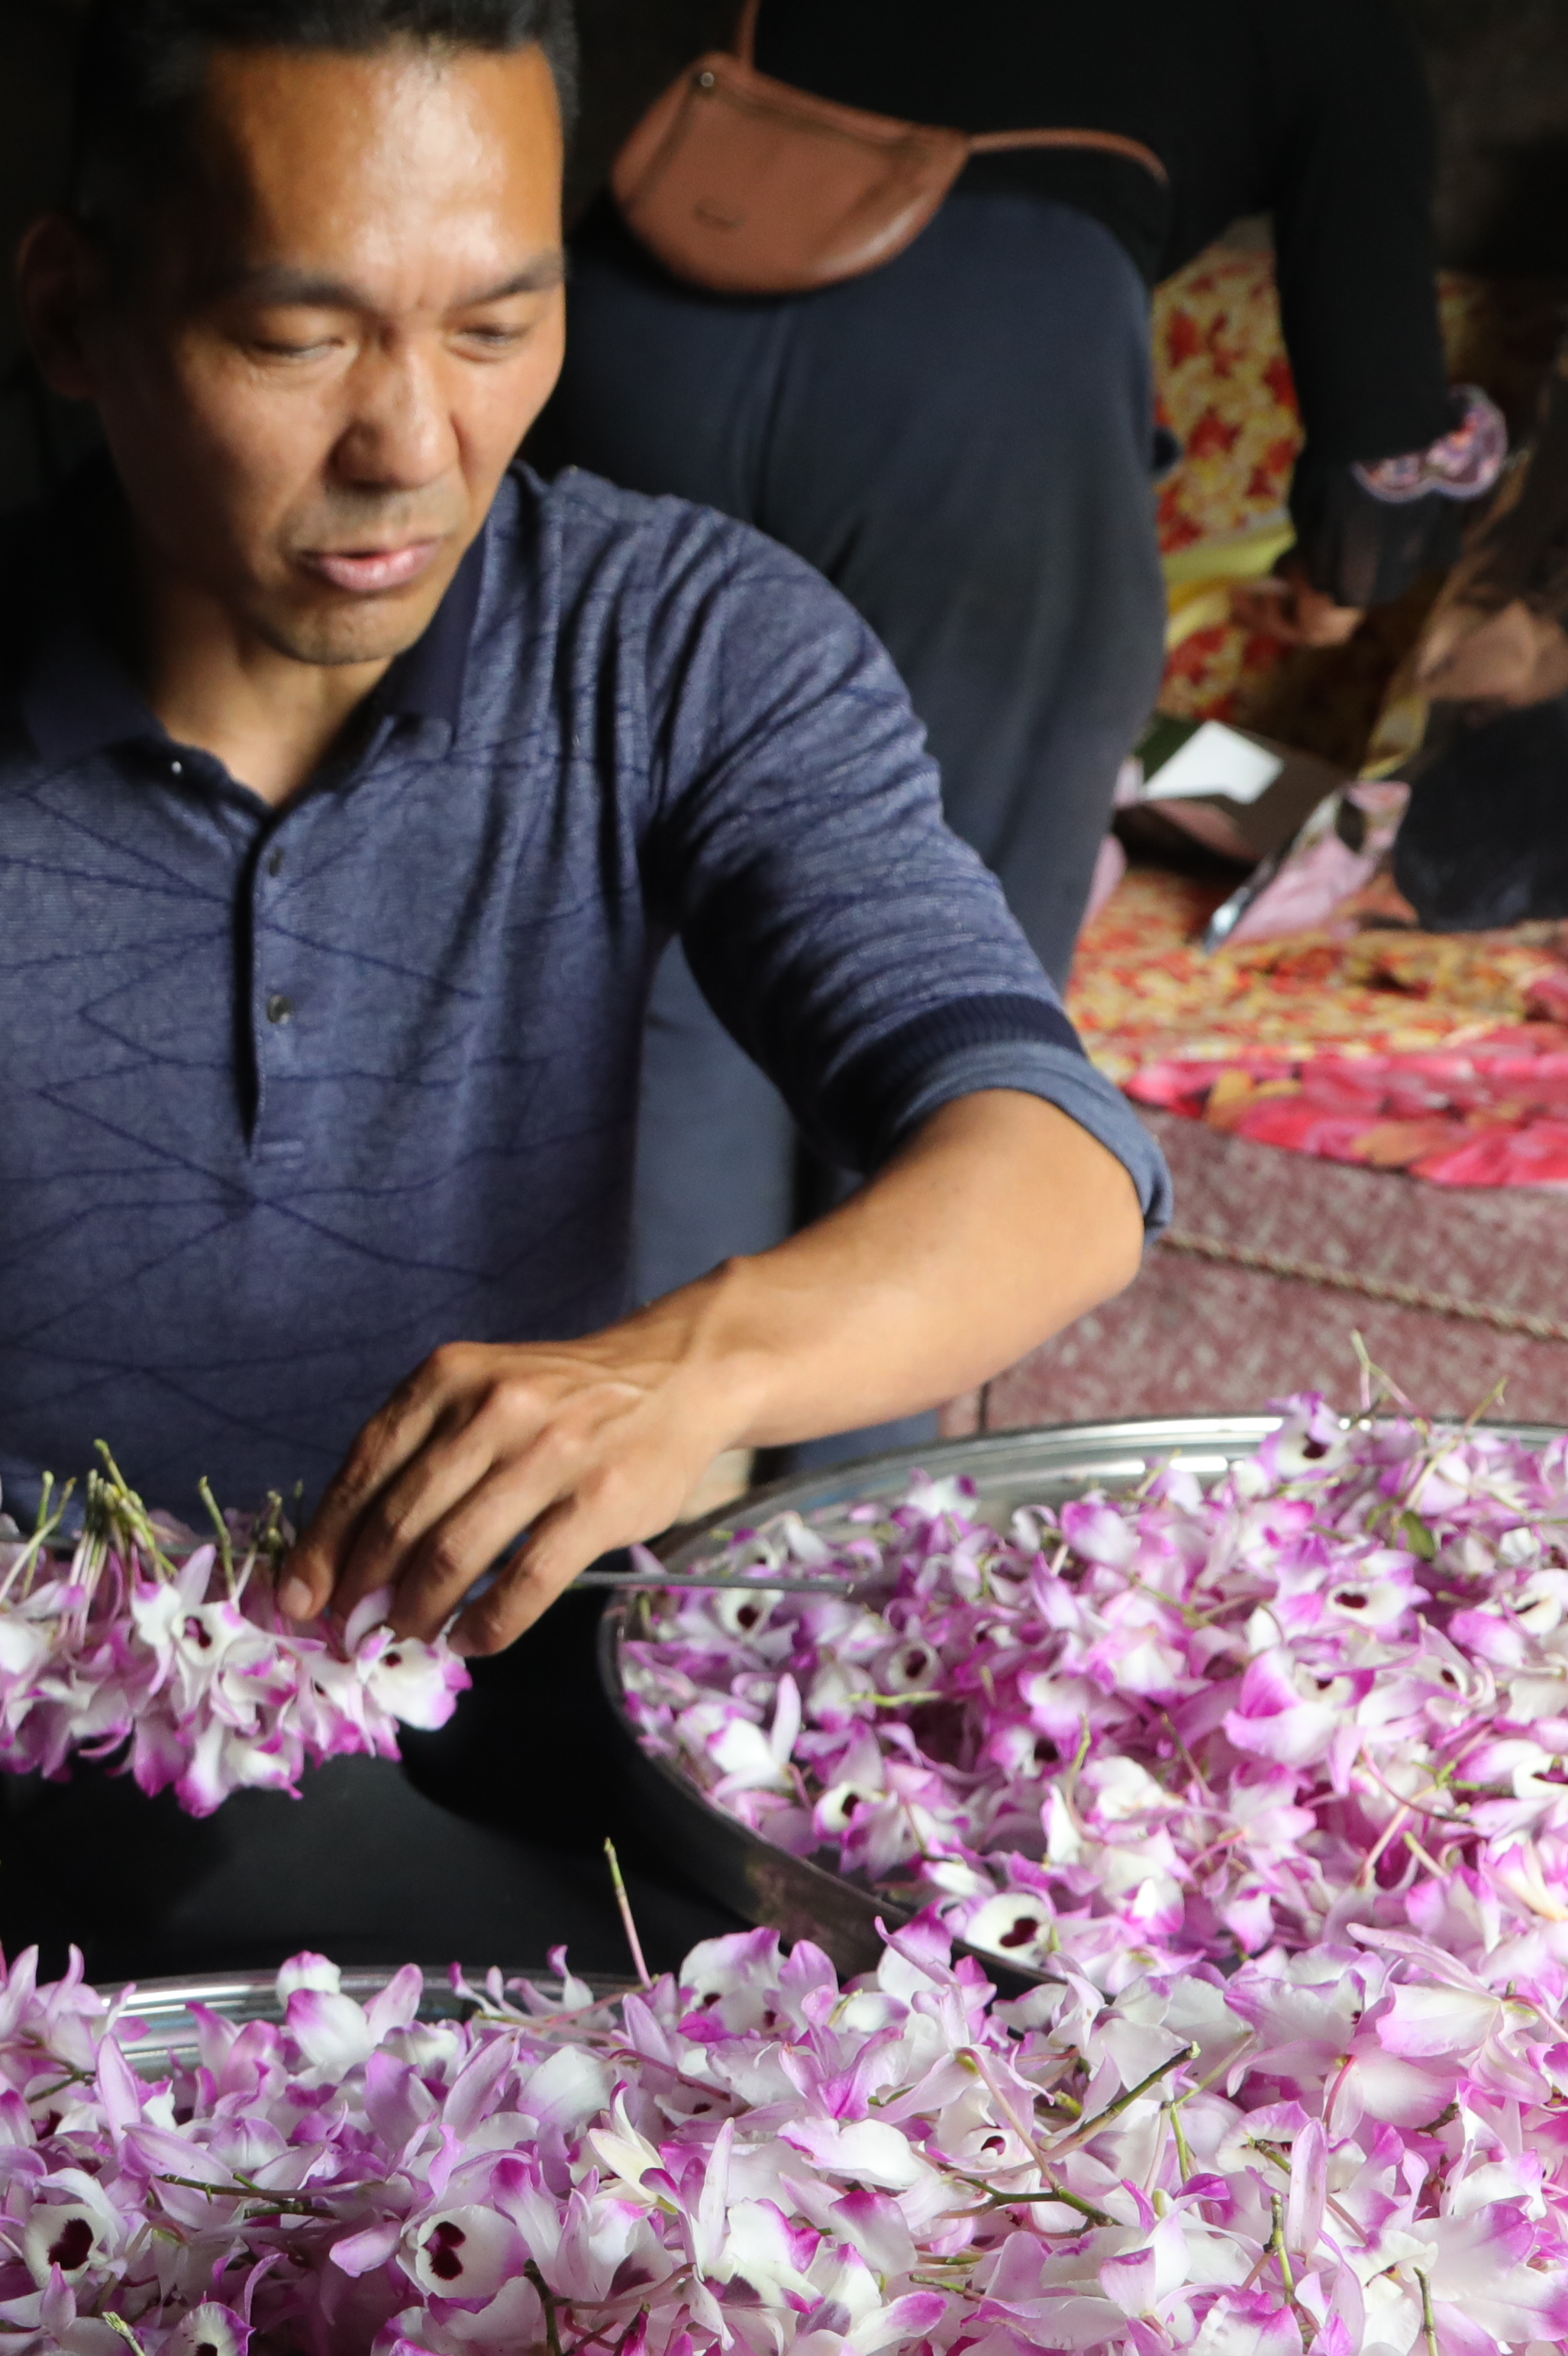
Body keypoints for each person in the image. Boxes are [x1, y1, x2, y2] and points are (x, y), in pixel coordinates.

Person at [0, 0, 1163, 1983]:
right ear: (74, 316)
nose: (412, 444)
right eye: (295, 337)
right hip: (52, 1904)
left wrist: (695, 1375)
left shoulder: (685, 651)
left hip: (553, 1774)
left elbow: (1053, 1157)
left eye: (496, 327)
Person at [538, 0, 1479, 1444]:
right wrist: (1347, 581)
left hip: (630, 324)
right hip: (983, 368)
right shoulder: (1329, 26)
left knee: (655, 942)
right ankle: (828, 1555)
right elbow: (1384, 447)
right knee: (944, 1010)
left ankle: (585, 1510)